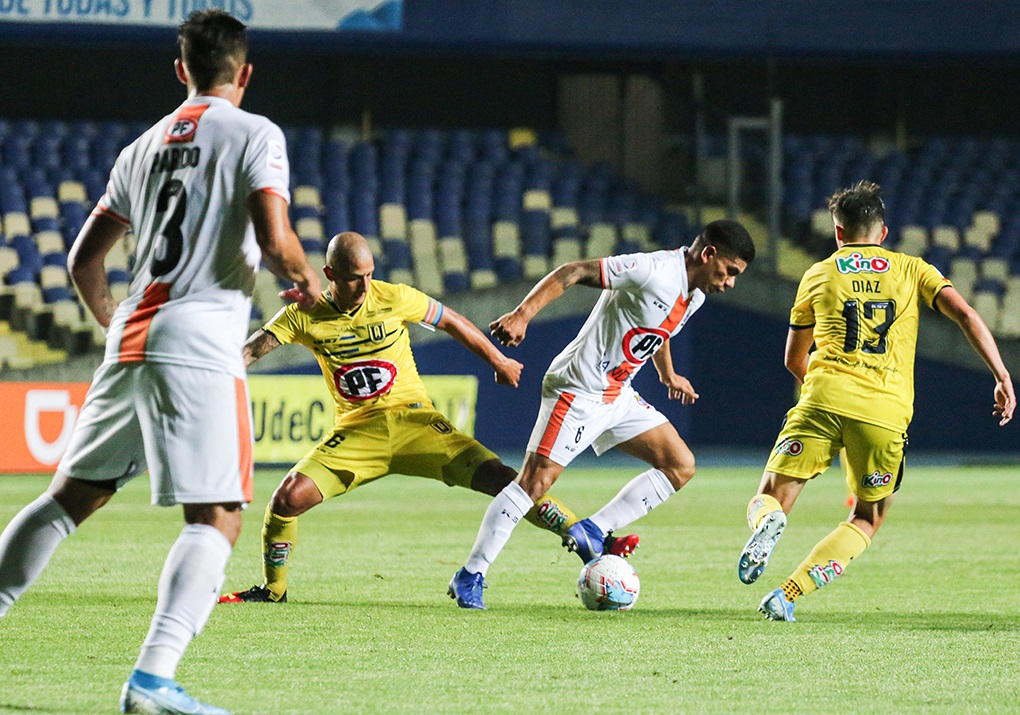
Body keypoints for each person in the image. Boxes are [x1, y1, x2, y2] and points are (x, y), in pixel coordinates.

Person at [0, 11, 321, 715]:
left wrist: (114, 321)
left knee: (68, 497)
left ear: (181, 70)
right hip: (200, 343)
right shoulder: (255, 132)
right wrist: (307, 278)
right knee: (219, 516)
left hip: (132, 338)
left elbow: (86, 258)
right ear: (244, 72)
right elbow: (275, 239)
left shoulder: (141, 148)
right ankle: (151, 679)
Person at [218, 231, 624, 604]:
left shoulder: (393, 296)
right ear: (330, 274)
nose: (364, 285)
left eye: (369, 275)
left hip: (418, 426)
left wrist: (498, 359)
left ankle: (582, 534)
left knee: (506, 482)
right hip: (358, 433)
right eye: (354, 277)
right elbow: (252, 351)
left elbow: (451, 320)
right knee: (287, 499)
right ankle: (274, 589)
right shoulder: (303, 315)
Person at [738, 180, 1015, 622]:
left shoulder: (819, 273)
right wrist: (1001, 374)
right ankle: (788, 594)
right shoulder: (912, 269)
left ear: (838, 232)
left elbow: (794, 358)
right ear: (883, 233)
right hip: (884, 412)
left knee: (770, 496)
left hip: (822, 397)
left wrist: (827, 393)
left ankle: (767, 523)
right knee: (867, 517)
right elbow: (966, 313)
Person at [448, 219, 756, 609]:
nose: (729, 283)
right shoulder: (651, 269)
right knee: (533, 485)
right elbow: (572, 271)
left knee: (680, 464)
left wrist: (668, 373)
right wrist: (522, 314)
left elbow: (657, 331)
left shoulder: (694, 296)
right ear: (708, 255)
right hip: (576, 390)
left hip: (616, 395)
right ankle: (470, 575)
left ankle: (594, 529)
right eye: (729, 272)